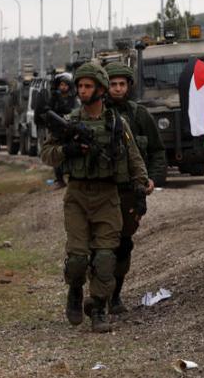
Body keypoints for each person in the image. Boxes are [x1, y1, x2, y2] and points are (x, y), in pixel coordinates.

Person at [40, 62, 152, 333]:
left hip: (107, 195)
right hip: (78, 195)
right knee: (78, 258)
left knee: (105, 258)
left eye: (88, 86)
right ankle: (75, 290)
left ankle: (99, 306)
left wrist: (142, 184)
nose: (82, 90)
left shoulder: (117, 123)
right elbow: (47, 154)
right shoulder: (70, 122)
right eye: (80, 85)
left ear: (100, 90)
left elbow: (133, 157)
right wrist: (68, 150)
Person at [104, 61, 164, 314]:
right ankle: (96, 296)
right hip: (102, 191)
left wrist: (153, 178)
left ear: (129, 86)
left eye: (122, 84)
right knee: (98, 247)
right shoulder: (97, 113)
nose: (118, 89)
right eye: (113, 84)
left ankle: (115, 295)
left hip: (130, 192)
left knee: (123, 245)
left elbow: (157, 150)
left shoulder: (140, 115)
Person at [48, 72, 79, 189]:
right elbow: (48, 111)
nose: (63, 87)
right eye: (61, 85)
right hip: (57, 130)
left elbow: (75, 110)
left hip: (70, 128)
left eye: (65, 85)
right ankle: (59, 180)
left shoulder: (73, 99)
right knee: (57, 154)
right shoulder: (54, 98)